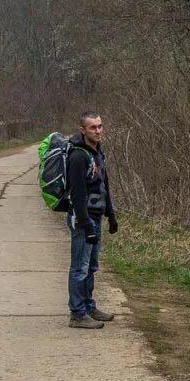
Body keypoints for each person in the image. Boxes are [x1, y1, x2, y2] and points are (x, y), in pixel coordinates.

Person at [66, 111, 119, 328]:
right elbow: (77, 195)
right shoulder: (78, 156)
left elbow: (103, 186)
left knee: (91, 267)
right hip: (82, 220)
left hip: (96, 217)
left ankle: (89, 307)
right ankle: (77, 314)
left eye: (100, 126)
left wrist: (111, 215)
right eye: (92, 127)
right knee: (80, 267)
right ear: (83, 130)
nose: (98, 131)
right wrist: (86, 225)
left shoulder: (98, 153)